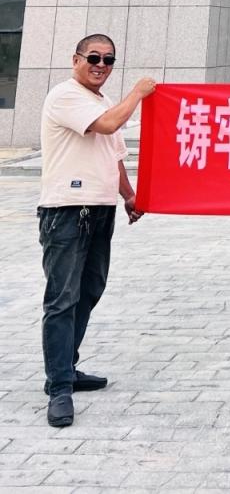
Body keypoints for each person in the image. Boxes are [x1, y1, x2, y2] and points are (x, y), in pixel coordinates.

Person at [37, 34, 156, 428]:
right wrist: (138, 93)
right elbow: (107, 125)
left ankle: (66, 368)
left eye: (108, 60)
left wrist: (129, 196)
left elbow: (114, 154)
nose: (100, 65)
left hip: (101, 210)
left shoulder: (103, 101)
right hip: (67, 212)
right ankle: (59, 389)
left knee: (89, 291)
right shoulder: (65, 96)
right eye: (93, 57)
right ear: (76, 59)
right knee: (62, 300)